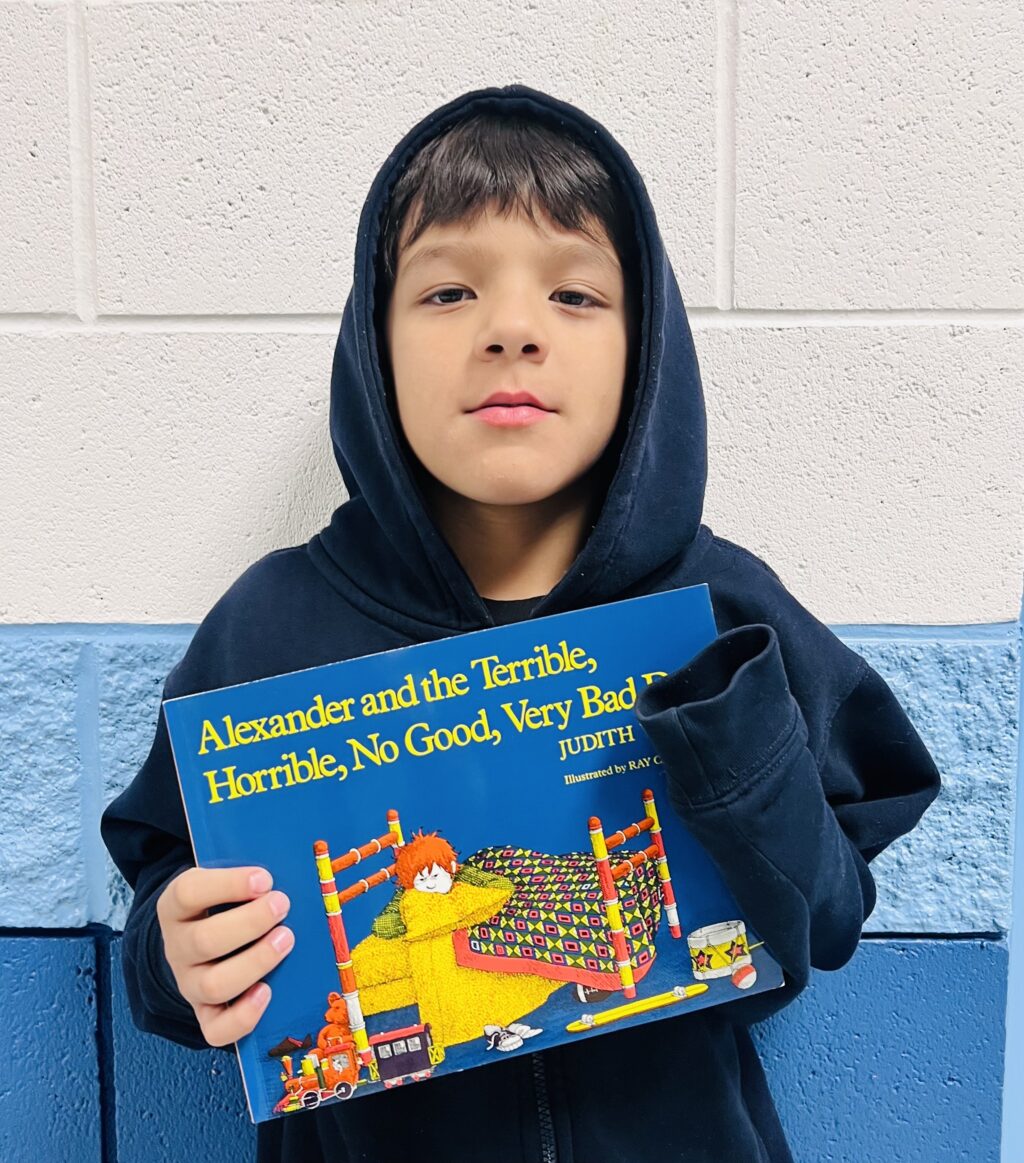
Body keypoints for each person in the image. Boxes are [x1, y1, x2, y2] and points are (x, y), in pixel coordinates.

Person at [100, 82, 942, 1162]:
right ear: (374, 338)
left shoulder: (725, 610)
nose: (510, 330)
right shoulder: (271, 621)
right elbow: (163, 891)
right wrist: (174, 959)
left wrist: (737, 756)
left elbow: (826, 914)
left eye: (576, 297)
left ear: (647, 343)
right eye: (448, 292)